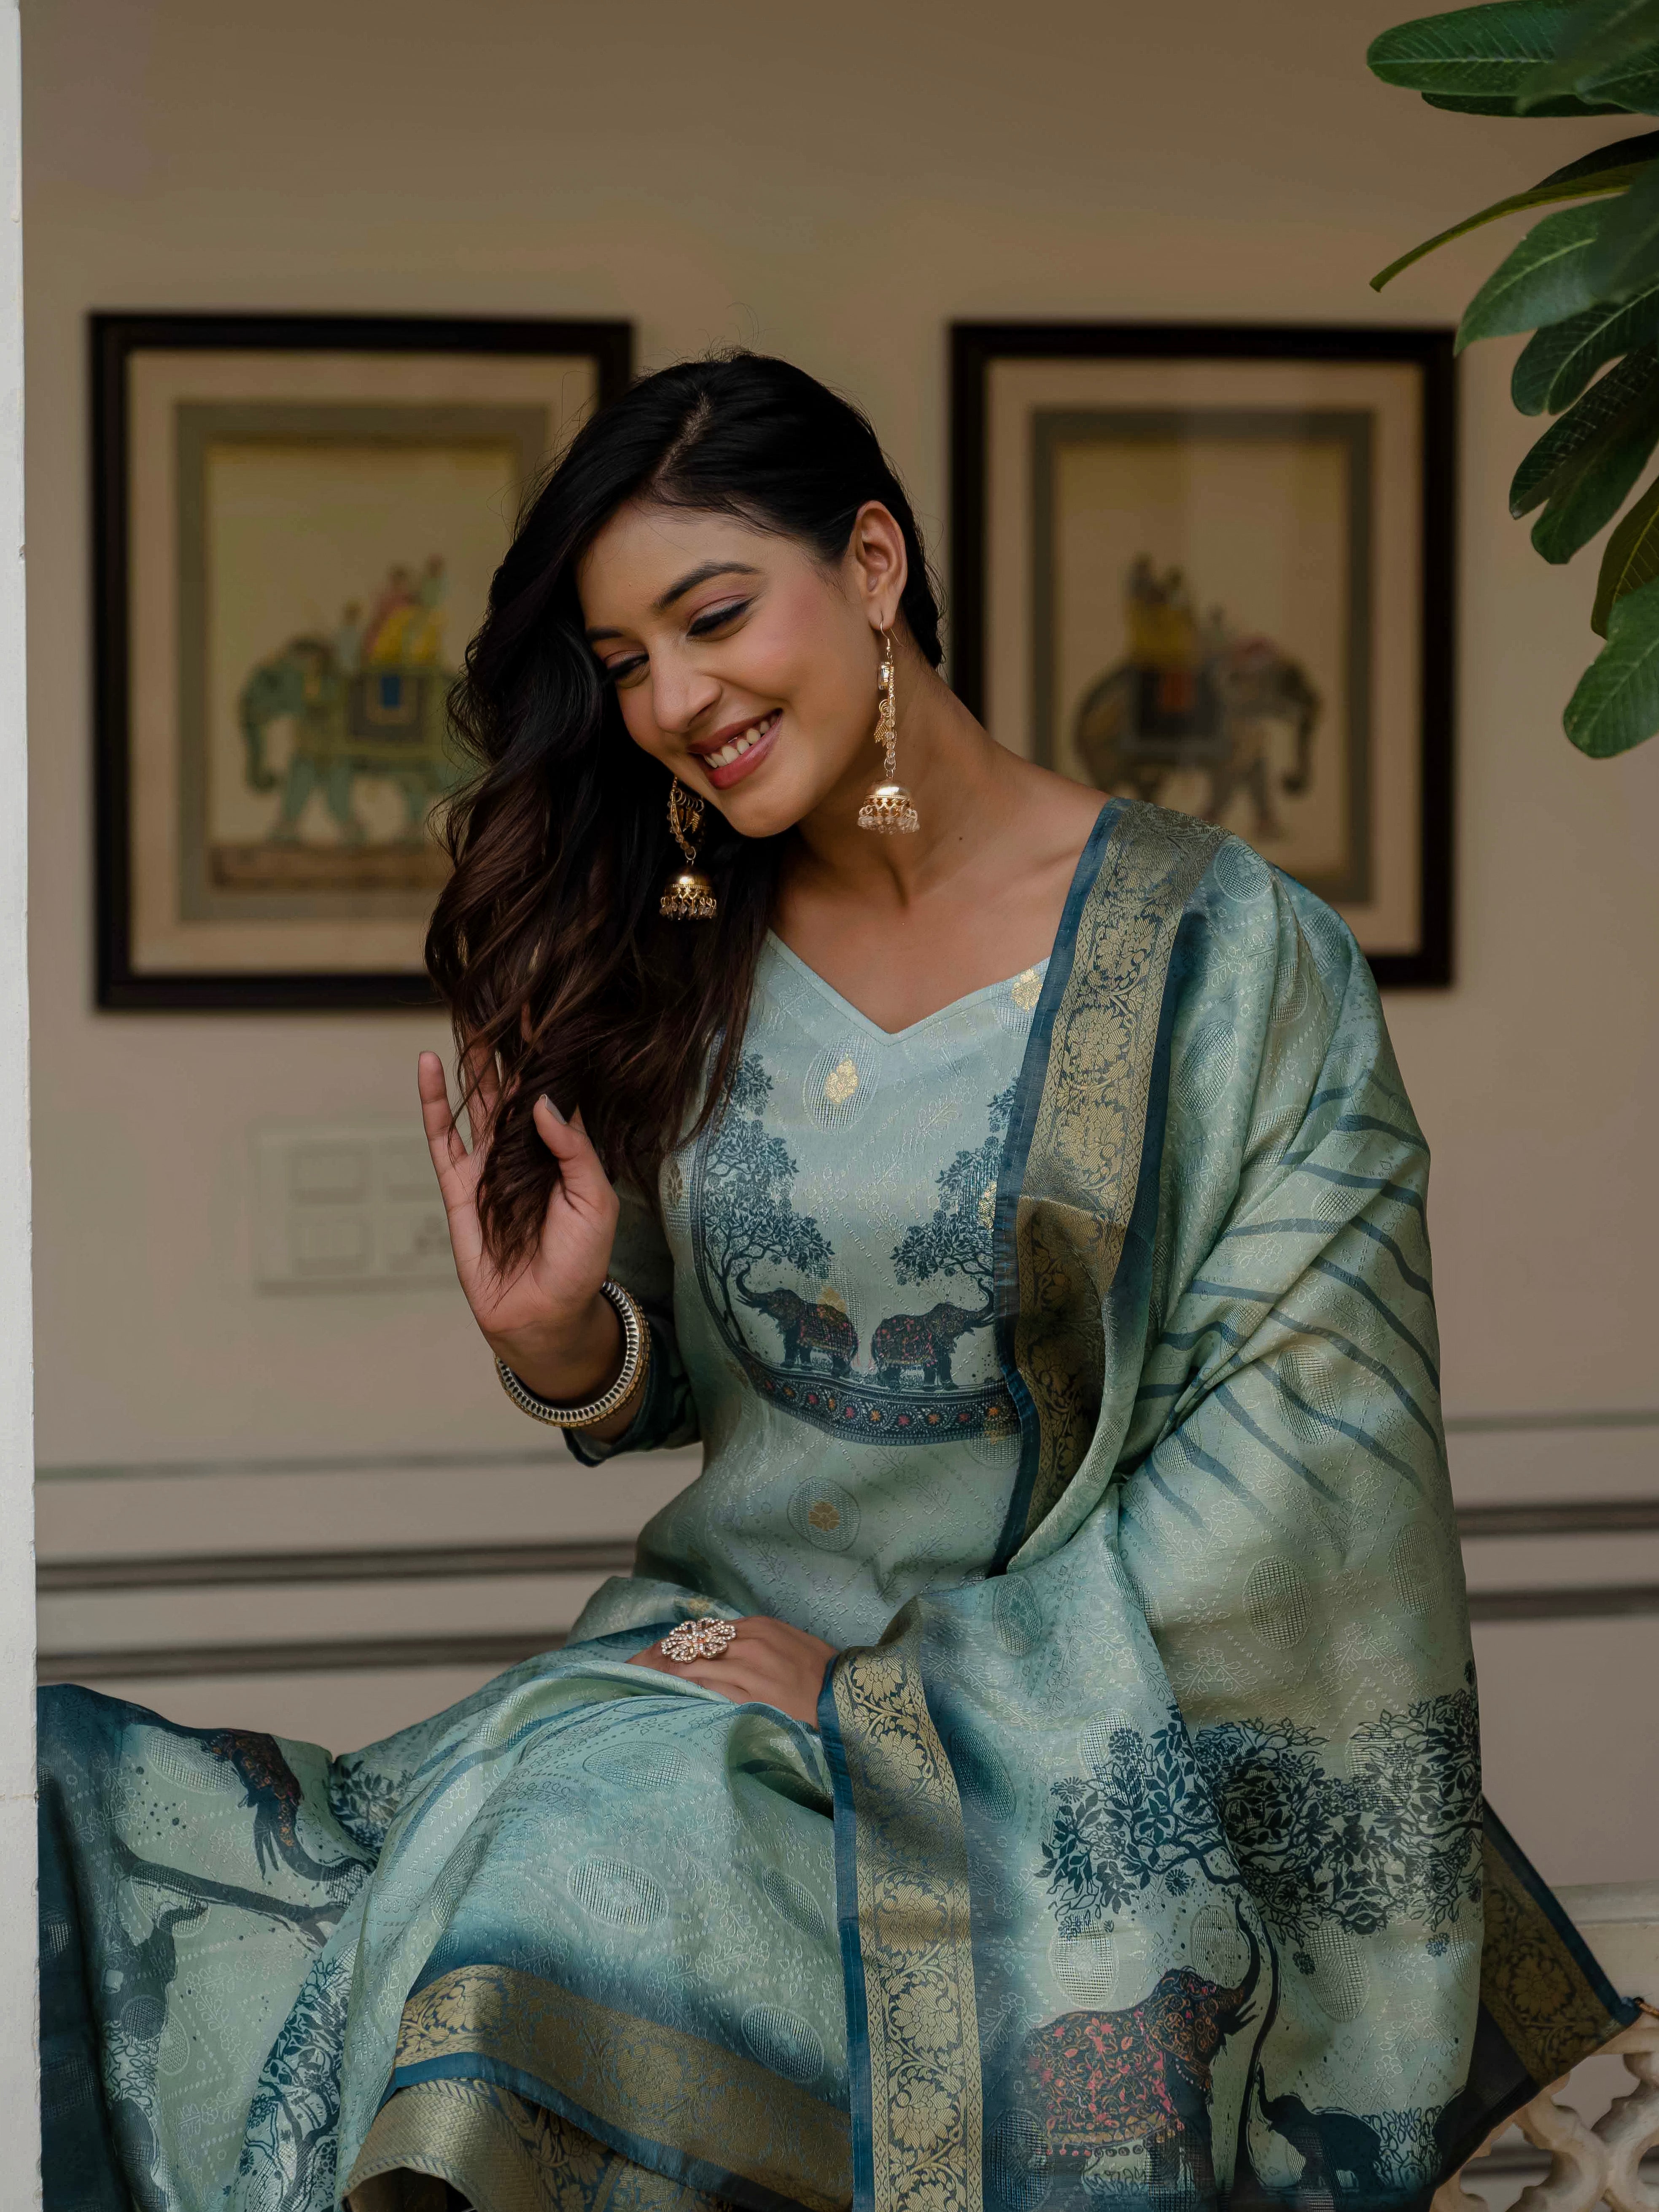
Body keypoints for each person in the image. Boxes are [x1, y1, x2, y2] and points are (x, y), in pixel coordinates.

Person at [39, 354, 1631, 2212]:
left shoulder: (1231, 958)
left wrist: (894, 1704)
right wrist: (568, 1343)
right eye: (626, 661)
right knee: (70, 1804)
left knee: (547, 1913)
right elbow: (703, 1370)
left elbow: (1310, 1473)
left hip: (1032, 1792)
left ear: (872, 561)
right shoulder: (687, 942)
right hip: (688, 1681)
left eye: (713, 616)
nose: (673, 701)